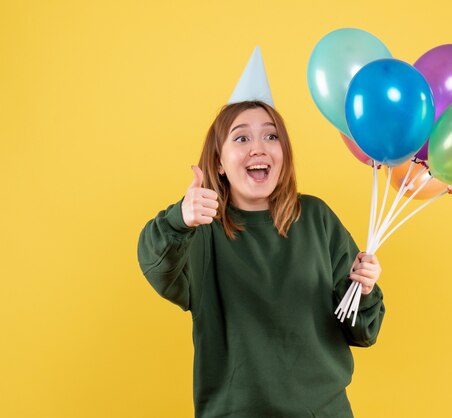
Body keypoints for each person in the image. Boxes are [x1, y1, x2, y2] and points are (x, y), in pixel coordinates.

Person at [137, 48, 385, 418]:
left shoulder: (316, 218)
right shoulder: (202, 232)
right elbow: (157, 266)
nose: (258, 148)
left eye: (271, 137)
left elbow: (362, 331)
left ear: (283, 151)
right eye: (240, 139)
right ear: (219, 163)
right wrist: (179, 219)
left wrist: (363, 290)